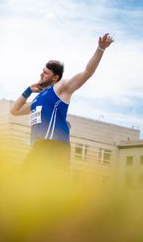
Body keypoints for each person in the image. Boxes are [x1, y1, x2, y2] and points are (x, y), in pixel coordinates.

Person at [10, 33, 114, 171]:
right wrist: (29, 89)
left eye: (46, 73)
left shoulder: (60, 88)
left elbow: (87, 73)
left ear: (55, 77)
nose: (41, 74)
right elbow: (14, 111)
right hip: (39, 147)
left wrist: (100, 49)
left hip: (54, 146)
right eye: (42, 71)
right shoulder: (38, 99)